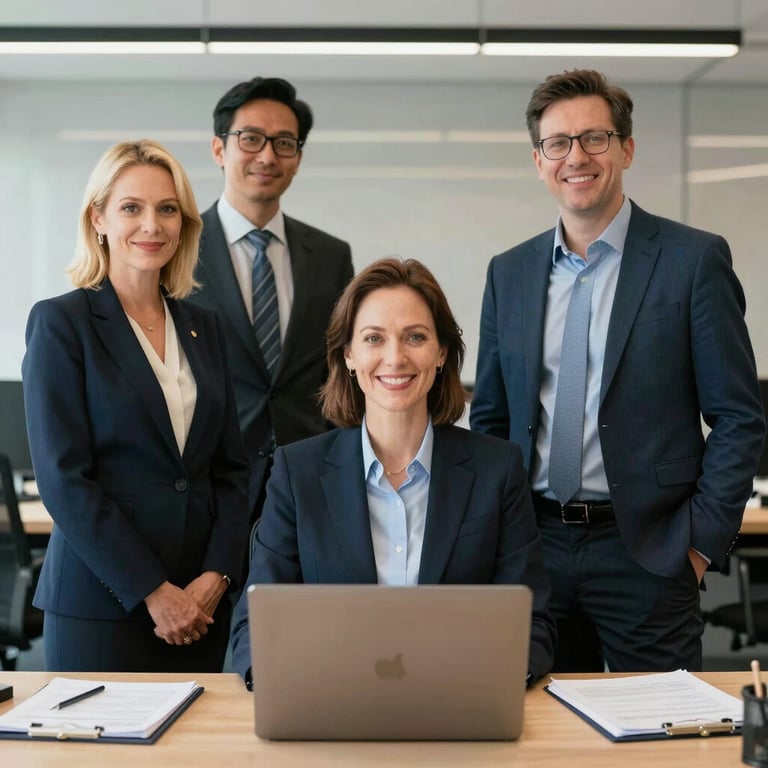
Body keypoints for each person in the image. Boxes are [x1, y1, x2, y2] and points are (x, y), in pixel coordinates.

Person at [471, 68, 766, 672]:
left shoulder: (693, 261)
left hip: (650, 553)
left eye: (594, 138)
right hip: (536, 548)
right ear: (539, 160)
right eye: (558, 143)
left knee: (663, 743)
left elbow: (738, 417)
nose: (576, 156)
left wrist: (699, 545)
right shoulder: (510, 273)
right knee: (538, 738)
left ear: (625, 149)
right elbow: (492, 418)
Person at [230, 258, 556, 688]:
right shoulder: (297, 472)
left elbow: (534, 625)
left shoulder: (498, 470)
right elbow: (252, 629)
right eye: (373, 338)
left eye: (415, 337)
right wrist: (295, 685)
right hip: (332, 706)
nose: (395, 357)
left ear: (441, 353)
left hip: (459, 707)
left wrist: (483, 681)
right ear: (348, 355)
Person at [22, 139, 250, 672]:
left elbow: (232, 471)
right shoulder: (63, 324)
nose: (152, 225)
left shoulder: (205, 328)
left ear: (184, 223)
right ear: (98, 218)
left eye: (167, 209)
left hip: (200, 607)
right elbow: (64, 480)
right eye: (132, 208)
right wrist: (152, 590)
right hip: (104, 606)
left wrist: (218, 575)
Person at [188, 76, 354, 523]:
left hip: (311, 483)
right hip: (208, 483)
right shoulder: (177, 249)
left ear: (298, 158)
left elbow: (340, 367)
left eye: (284, 143)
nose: (267, 155)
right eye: (251, 139)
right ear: (219, 149)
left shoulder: (331, 256)